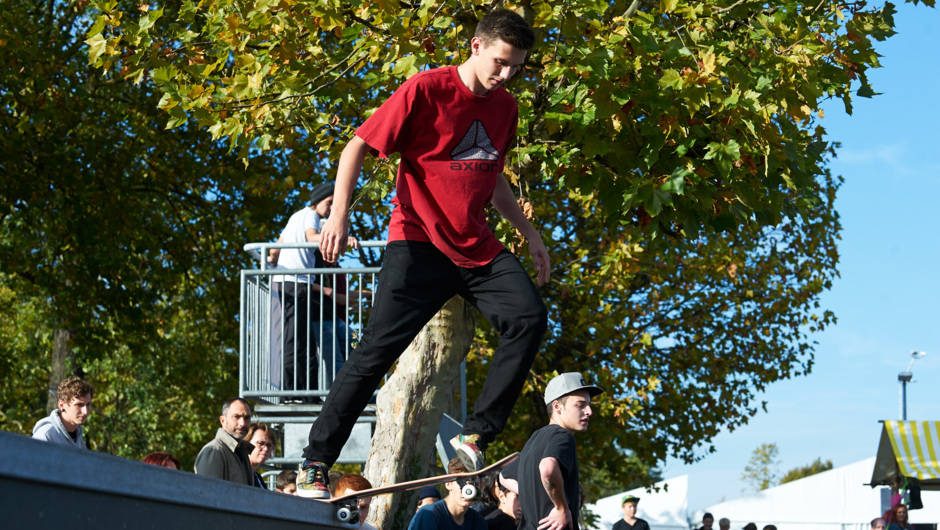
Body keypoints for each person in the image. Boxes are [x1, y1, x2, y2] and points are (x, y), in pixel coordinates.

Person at [298, 7, 549, 499]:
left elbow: (491, 172)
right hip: (417, 241)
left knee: (529, 318)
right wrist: (338, 215)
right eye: (500, 62)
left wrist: (529, 231)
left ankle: (475, 437)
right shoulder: (425, 89)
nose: (505, 75)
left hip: (475, 246)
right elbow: (356, 148)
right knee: (375, 353)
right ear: (476, 47)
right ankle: (315, 462)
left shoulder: (506, 108)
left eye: (515, 67)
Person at [269, 183, 359, 402]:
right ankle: (292, 394)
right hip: (295, 283)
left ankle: (305, 394)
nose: (330, 209)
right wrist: (341, 238)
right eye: (329, 203)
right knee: (297, 341)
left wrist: (271, 261)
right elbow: (311, 237)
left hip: (291, 283)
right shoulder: (311, 216)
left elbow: (274, 249)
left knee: (303, 341)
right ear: (317, 201)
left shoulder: (295, 217)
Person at [511, 372, 604, 530]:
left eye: (589, 404)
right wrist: (561, 508)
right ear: (557, 406)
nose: (589, 411)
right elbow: (548, 468)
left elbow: (503, 475)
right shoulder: (563, 436)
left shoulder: (533, 440)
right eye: (580, 405)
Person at [409, 458, 487, 530]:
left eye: (474, 484)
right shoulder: (429, 515)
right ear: (448, 484)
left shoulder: (477, 521)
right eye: (462, 483)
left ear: (481, 486)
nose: (468, 491)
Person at [194, 397, 255, 486]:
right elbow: (207, 494)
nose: (242, 423)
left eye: (247, 418)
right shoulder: (213, 451)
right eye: (236, 417)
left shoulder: (241, 452)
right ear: (223, 420)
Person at [32, 376, 94, 449]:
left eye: (88, 405)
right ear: (61, 405)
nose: (85, 411)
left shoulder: (79, 440)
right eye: (79, 405)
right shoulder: (45, 436)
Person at [245, 422, 279, 489]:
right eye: (260, 443)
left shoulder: (257, 477)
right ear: (246, 443)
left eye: (269, 445)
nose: (265, 448)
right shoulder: (239, 474)